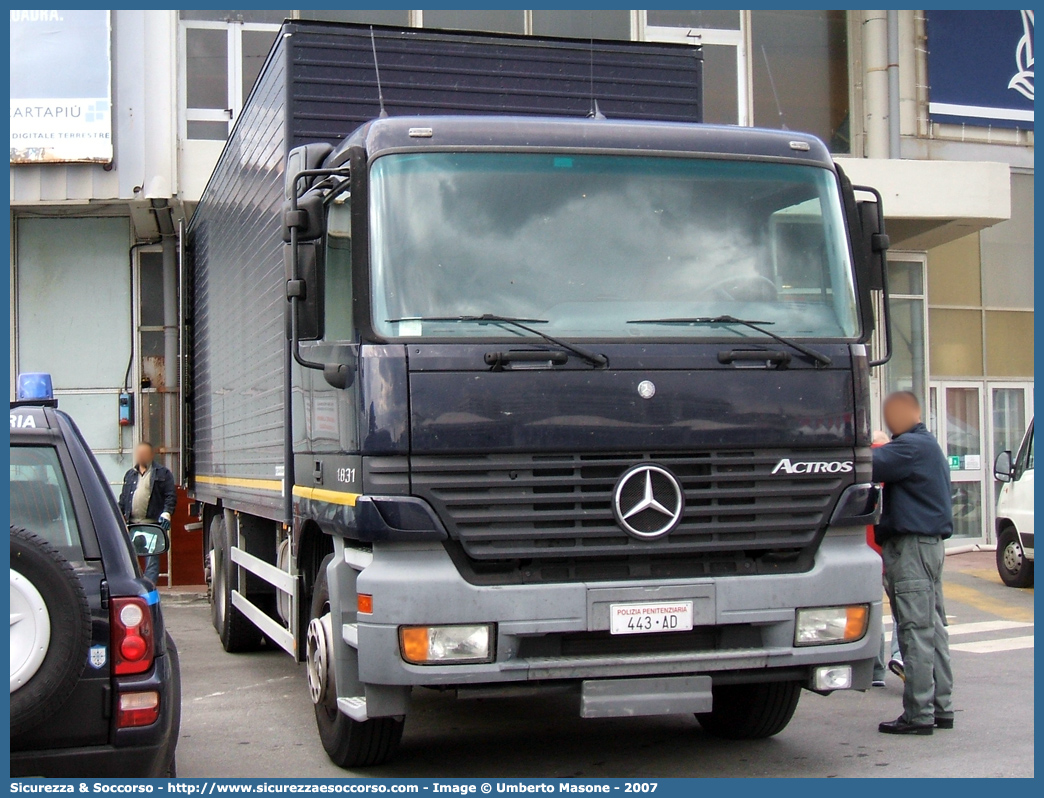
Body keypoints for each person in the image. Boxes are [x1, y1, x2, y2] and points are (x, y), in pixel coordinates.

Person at [872, 392, 954, 735]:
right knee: (933, 629)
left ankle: (918, 714)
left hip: (912, 548)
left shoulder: (909, 448)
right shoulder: (928, 446)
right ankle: (941, 707)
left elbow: (868, 463)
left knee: (915, 631)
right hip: (929, 546)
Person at [118, 442, 177, 585]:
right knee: (128, 559)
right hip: (131, 525)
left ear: (151, 455)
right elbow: (123, 499)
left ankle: (148, 590)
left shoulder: (163, 473)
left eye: (144, 453)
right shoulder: (130, 474)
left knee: (151, 561)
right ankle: (132, 587)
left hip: (152, 525)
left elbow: (171, 496)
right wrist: (118, 518)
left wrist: (167, 513)